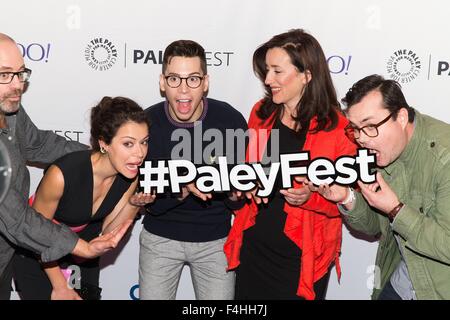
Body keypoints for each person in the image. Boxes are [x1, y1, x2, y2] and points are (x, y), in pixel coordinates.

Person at [224, 29, 357, 300]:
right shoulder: (261, 114)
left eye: (277, 71)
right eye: (266, 71)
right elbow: (250, 173)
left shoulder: (339, 128)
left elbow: (350, 201)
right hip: (255, 249)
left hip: (303, 257)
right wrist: (238, 188)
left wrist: (311, 197)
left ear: (307, 75)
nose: (268, 79)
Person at [0, 33, 132, 300]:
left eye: (20, 73)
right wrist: (79, 246)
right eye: (4, 75)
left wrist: (104, 156)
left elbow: (39, 144)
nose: (17, 86)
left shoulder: (9, 109)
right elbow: (15, 218)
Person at [318, 74, 450, 300]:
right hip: (404, 280)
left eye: (369, 126)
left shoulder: (444, 158)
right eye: (355, 129)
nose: (361, 139)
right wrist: (346, 197)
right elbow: (375, 227)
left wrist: (396, 210)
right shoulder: (383, 151)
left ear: (400, 117)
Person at [12, 96, 155, 300]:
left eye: (144, 142)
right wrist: (60, 285)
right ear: (104, 143)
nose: (140, 153)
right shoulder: (63, 174)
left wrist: (133, 205)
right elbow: (37, 235)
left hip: (82, 253)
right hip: (38, 255)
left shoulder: (130, 175)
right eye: (128, 144)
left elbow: (107, 232)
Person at [139, 39, 247, 300]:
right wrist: (183, 189)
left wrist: (235, 194)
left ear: (206, 82)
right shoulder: (146, 123)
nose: (184, 89)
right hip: (159, 239)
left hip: (216, 241)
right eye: (174, 79)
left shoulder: (229, 120)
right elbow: (148, 203)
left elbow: (237, 201)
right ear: (162, 82)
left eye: (193, 79)